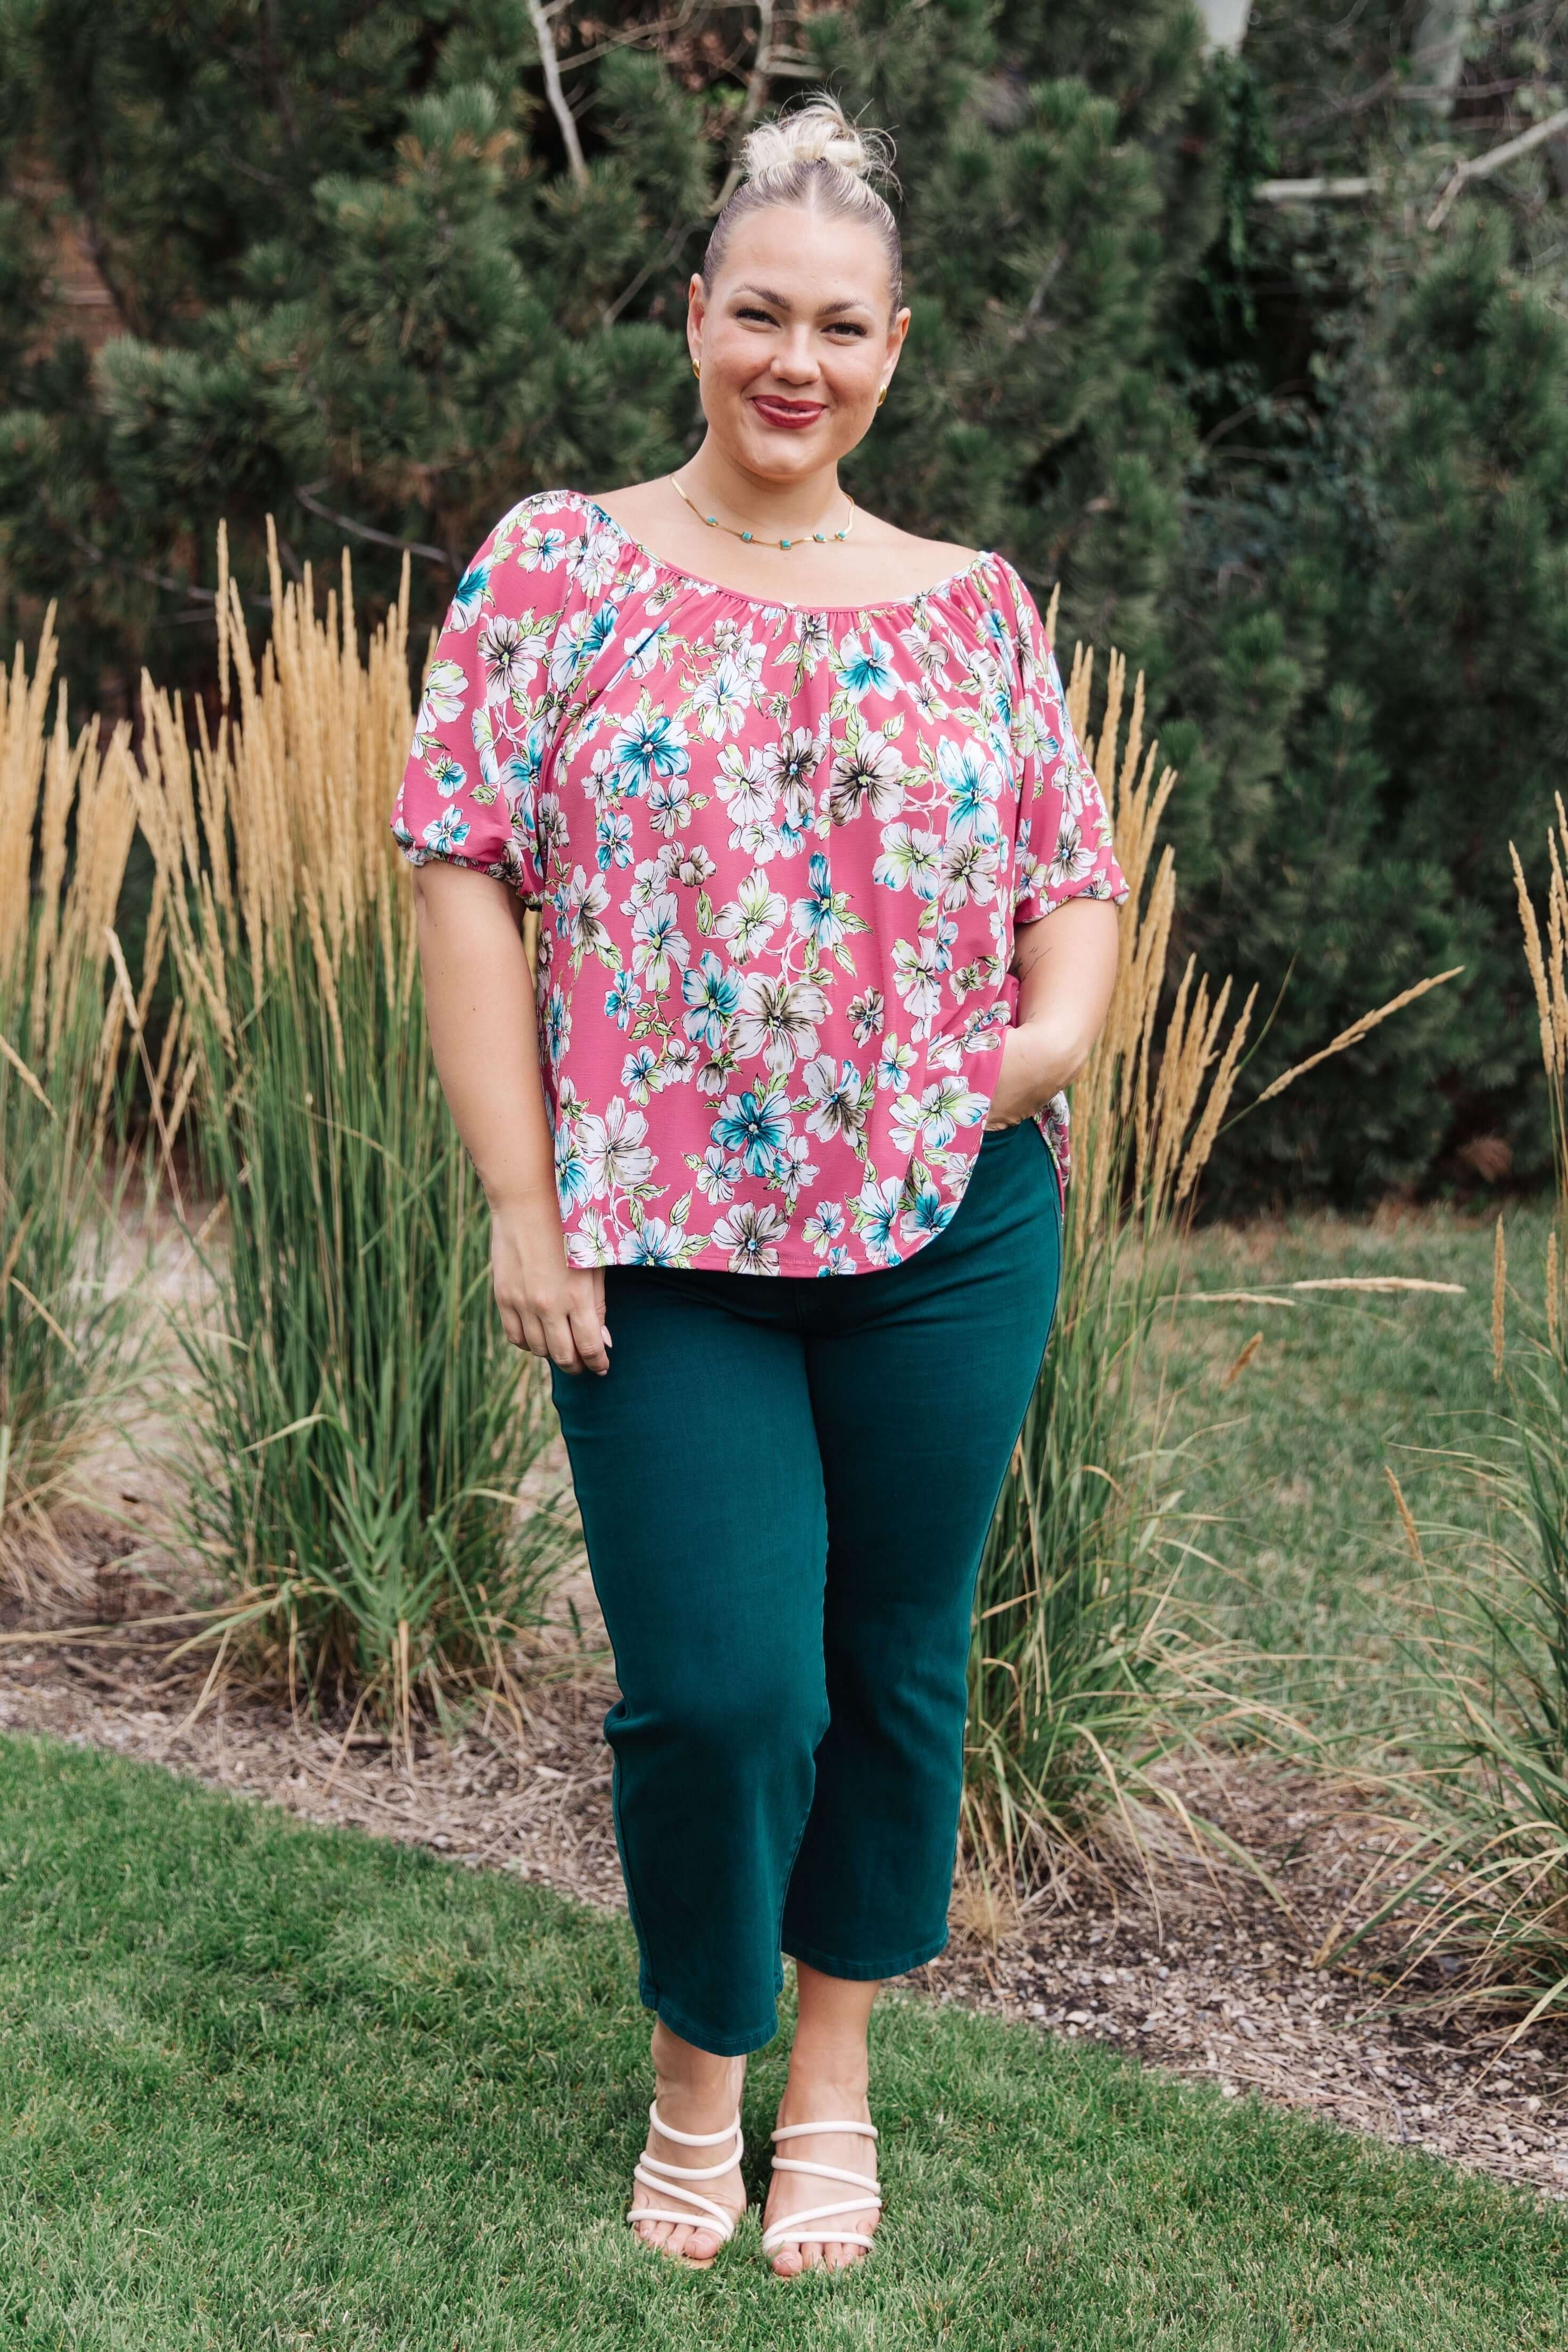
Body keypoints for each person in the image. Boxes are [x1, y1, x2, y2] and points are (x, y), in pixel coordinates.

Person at [391, 90, 1127, 2280]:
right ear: (691, 315)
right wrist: (522, 1205)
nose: (793, 361)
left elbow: (1067, 888)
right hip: (660, 1239)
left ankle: (827, 2082)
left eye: (841, 327)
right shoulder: (551, 567)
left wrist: (1046, 1045)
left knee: (893, 1661)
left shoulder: (974, 605)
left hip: (943, 1229)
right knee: (722, 1684)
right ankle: (688, 2072)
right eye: (757, 315)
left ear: (893, 348)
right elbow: (458, 878)